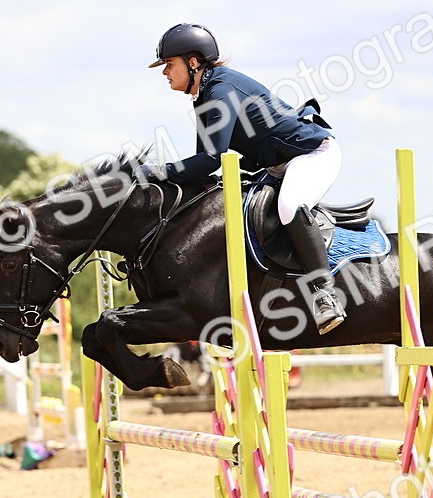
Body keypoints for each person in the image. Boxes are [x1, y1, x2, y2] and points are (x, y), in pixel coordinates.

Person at [145, 23, 346, 334]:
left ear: (193, 62)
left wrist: (158, 172)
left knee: (290, 205)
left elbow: (211, 159)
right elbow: (206, 163)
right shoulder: (204, 96)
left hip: (312, 154)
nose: (165, 73)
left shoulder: (221, 91)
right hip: (279, 165)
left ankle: (325, 295)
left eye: (169, 64)